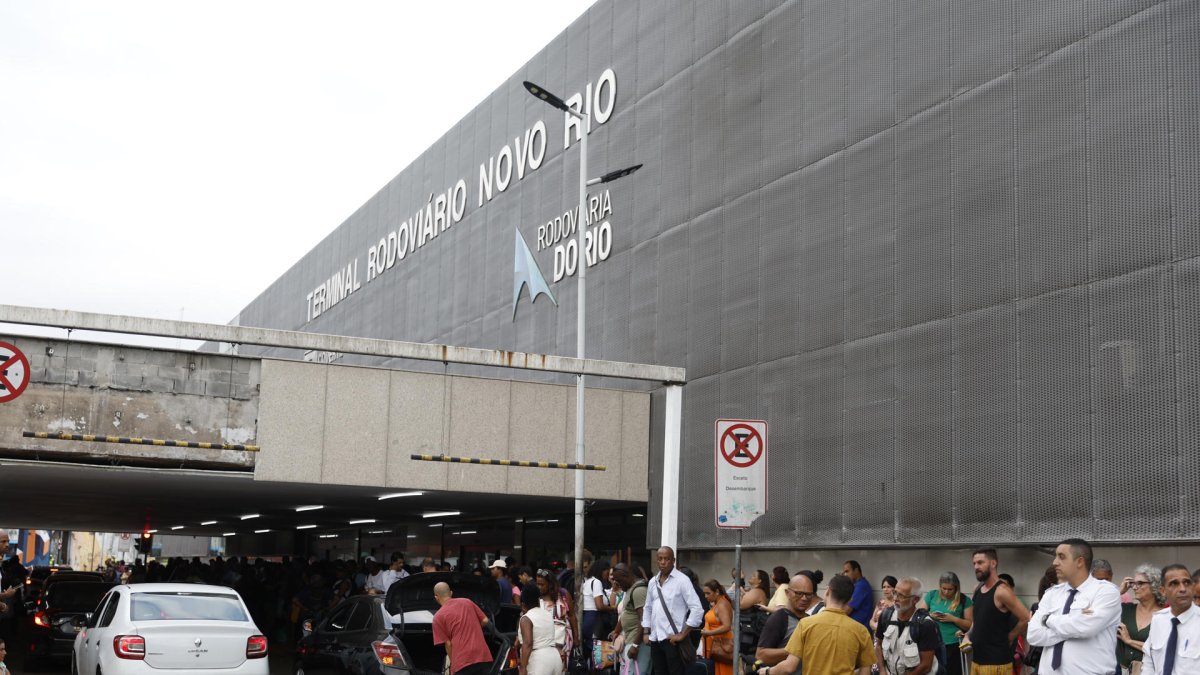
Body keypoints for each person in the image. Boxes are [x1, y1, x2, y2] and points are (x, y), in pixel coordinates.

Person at [1027, 538, 1121, 675]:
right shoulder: (1052, 594)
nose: (1055, 562)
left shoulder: (1106, 592)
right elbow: (1033, 635)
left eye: (1061, 557)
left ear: (1080, 562)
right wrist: (1075, 625)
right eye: (1056, 556)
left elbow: (1087, 628)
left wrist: (1048, 620)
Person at [759, 573, 876, 675]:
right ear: (851, 599)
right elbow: (865, 671)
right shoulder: (861, 631)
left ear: (828, 591)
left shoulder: (806, 624)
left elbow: (789, 667)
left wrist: (768, 672)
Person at [967, 548, 1031, 675]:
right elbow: (977, 620)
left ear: (993, 563)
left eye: (980, 562)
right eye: (974, 563)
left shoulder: (1002, 591)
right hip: (977, 661)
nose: (976, 567)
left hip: (997, 664)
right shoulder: (977, 589)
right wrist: (967, 636)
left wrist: (1010, 637)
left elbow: (1026, 617)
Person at [642, 546, 703, 675]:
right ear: (656, 561)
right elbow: (648, 607)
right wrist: (646, 631)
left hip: (673, 641)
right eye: (660, 559)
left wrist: (682, 634)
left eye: (667, 559)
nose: (663, 562)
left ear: (673, 560)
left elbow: (697, 609)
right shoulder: (653, 581)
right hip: (655, 639)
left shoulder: (682, 580)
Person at [756, 570, 823, 666]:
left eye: (808, 595)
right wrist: (796, 650)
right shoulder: (780, 618)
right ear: (787, 593)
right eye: (799, 593)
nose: (804, 598)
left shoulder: (810, 619)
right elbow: (761, 655)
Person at [1141, 564, 1199, 675]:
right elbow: (1149, 661)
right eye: (1174, 584)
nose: (1182, 589)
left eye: (1186, 582)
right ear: (1163, 591)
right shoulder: (1158, 620)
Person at [876, 577, 940, 675]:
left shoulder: (925, 624)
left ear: (915, 599)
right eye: (895, 593)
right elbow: (878, 645)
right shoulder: (886, 616)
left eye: (901, 596)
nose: (895, 598)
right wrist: (881, 670)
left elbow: (926, 666)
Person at [432, 581, 494, 675]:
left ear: (436, 597)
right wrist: (475, 628)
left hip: (462, 661)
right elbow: (485, 620)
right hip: (482, 655)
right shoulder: (467, 602)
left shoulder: (438, 617)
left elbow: (448, 644)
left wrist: (453, 663)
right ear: (451, 593)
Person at [1117, 564, 1164, 675]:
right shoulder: (1125, 609)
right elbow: (1094, 611)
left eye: (1140, 583)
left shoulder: (1164, 616)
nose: (1134, 587)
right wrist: (1118, 592)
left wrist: (1130, 641)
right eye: (1133, 583)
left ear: (1155, 586)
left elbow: (1161, 650)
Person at [925, 572, 972, 675]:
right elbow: (919, 615)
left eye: (950, 589)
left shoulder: (964, 600)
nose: (946, 592)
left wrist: (953, 619)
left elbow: (970, 625)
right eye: (943, 588)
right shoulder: (932, 595)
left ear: (956, 588)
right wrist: (931, 616)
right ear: (940, 586)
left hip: (954, 644)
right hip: (933, 642)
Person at [611, 563, 651, 675]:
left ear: (626, 576)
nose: (616, 584)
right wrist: (617, 630)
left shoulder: (638, 590)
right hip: (631, 639)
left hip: (638, 643)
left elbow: (644, 619)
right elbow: (626, 612)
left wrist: (635, 645)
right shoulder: (630, 589)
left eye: (618, 580)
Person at [538, 567, 579, 669]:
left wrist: (576, 637)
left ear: (550, 584)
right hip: (543, 640)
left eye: (542, 584)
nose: (539, 587)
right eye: (537, 584)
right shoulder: (537, 597)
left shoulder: (563, 594)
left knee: (561, 667)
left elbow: (572, 616)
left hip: (563, 639)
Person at [519, 583, 563, 675]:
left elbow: (528, 643)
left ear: (523, 604)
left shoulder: (526, 618)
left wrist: (522, 668)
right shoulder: (547, 614)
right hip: (555, 658)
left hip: (539, 661)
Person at [701, 580, 735, 675]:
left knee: (723, 671)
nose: (706, 596)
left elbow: (727, 626)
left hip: (722, 646)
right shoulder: (718, 603)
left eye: (708, 593)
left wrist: (709, 633)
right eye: (705, 593)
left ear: (717, 592)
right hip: (716, 645)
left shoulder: (722, 604)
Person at [845, 560, 876, 629]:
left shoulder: (861, 586)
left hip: (860, 630)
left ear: (856, 570)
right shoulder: (857, 585)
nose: (845, 575)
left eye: (847, 571)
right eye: (844, 572)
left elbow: (846, 611)